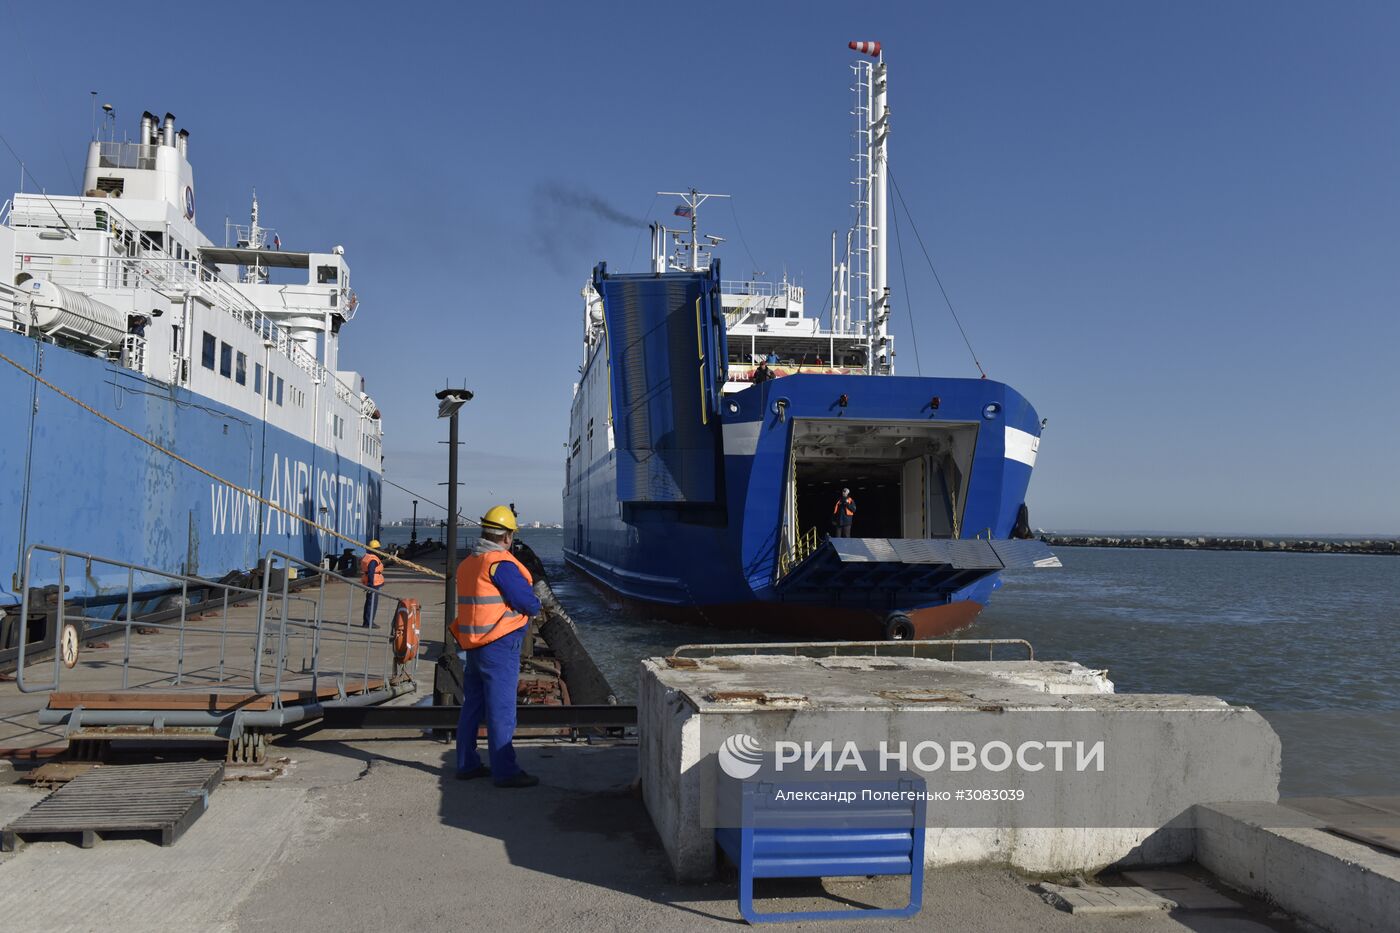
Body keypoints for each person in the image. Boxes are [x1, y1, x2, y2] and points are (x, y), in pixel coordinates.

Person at [451, 505, 543, 788]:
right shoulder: (500, 563)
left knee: (472, 706)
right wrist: (537, 604)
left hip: (473, 645)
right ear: (506, 537)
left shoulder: (468, 564)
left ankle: (466, 764)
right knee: (502, 709)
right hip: (499, 644)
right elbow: (527, 602)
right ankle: (505, 772)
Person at [359, 540, 385, 627]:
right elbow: (371, 572)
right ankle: (369, 622)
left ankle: (367, 621)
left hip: (370, 582)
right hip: (374, 583)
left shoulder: (367, 557)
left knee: (369, 602)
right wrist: (370, 584)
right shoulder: (373, 560)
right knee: (372, 603)